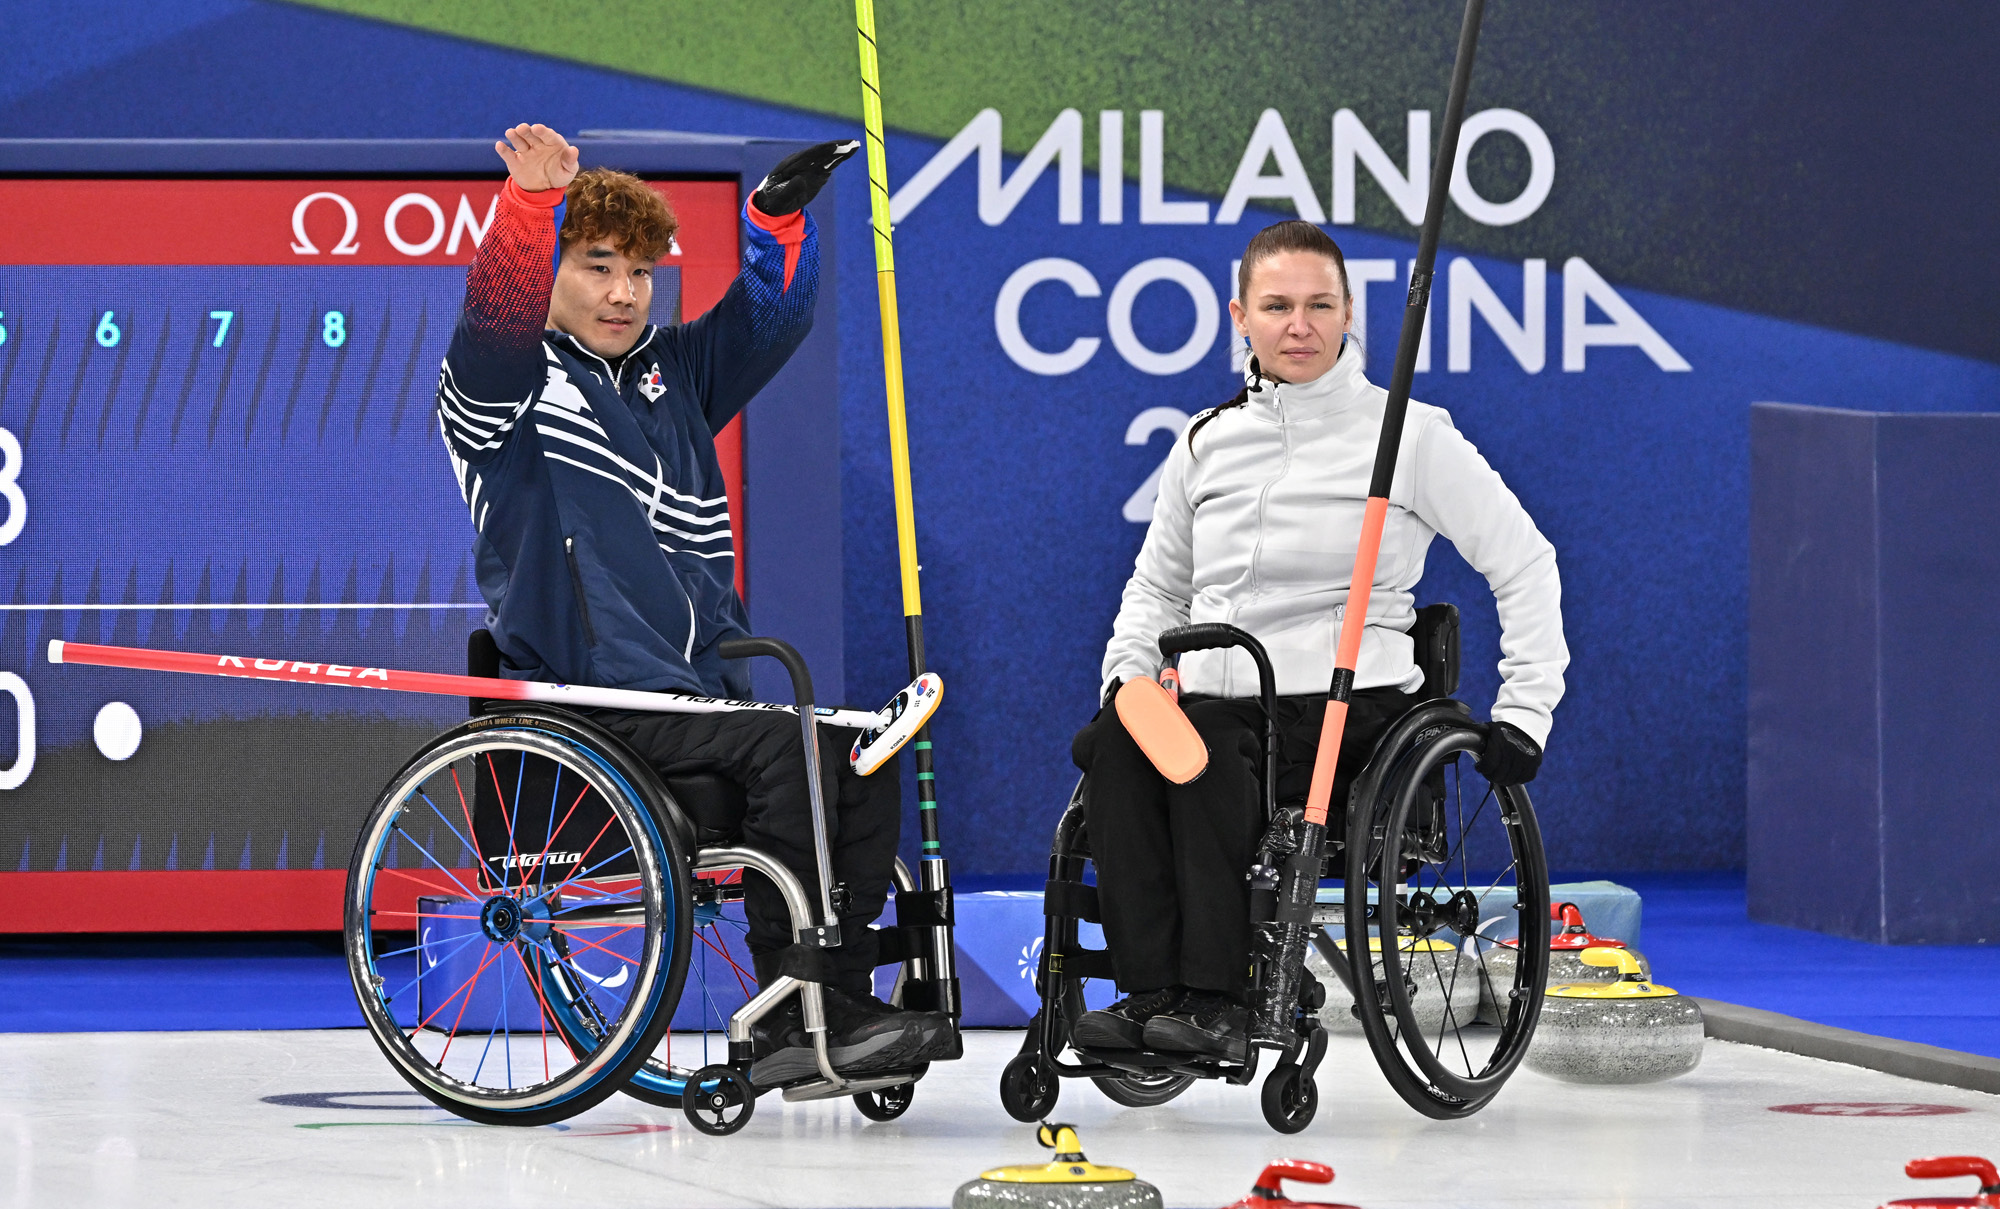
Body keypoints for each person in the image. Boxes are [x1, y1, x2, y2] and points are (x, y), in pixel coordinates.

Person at [435, 123, 951, 1086]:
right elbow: (496, 310)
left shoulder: (671, 377)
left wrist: (777, 221)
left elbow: (769, 318)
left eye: (640, 270)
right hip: (586, 703)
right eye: (597, 267)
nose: (626, 291)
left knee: (860, 751)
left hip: (695, 694)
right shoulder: (498, 390)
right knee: (783, 745)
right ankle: (802, 1013)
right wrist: (531, 207)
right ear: (553, 271)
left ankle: (835, 999)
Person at [1068, 220, 1568, 1058]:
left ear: (1348, 314)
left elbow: (1525, 559)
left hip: (1347, 711)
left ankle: (1219, 996)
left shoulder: (1406, 435)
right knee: (1116, 744)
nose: (1298, 325)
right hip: (1217, 700)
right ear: (1240, 316)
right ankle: (1152, 991)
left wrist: (1526, 709)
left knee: (1212, 759)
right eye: (1277, 305)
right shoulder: (1205, 439)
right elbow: (1156, 586)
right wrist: (1128, 678)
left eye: (1318, 304)